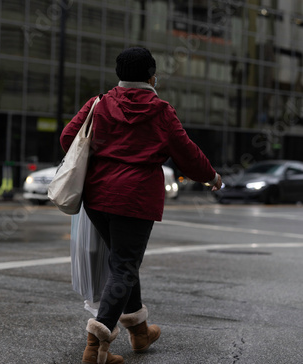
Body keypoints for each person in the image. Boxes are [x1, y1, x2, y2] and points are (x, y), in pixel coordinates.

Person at [60, 47, 222, 364]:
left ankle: (140, 331)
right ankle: (96, 349)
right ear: (152, 75)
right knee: (123, 266)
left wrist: (100, 156)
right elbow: (186, 153)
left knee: (123, 261)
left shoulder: (99, 103)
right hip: (134, 200)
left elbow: (69, 138)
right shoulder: (160, 111)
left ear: (120, 75)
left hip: (97, 198)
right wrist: (211, 176)